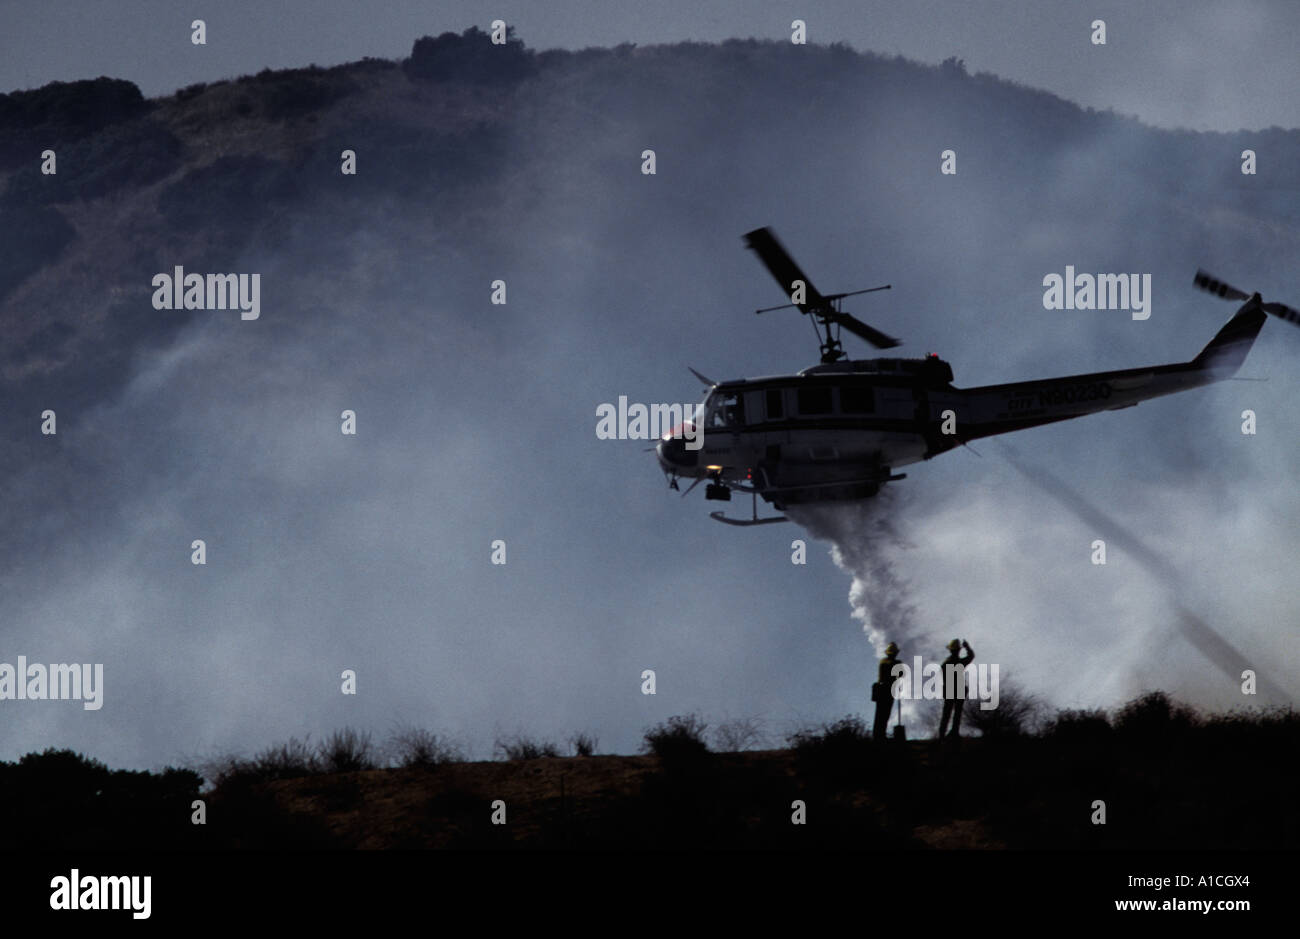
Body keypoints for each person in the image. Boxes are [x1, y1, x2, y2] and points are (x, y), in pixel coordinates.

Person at [938, 638, 975, 739]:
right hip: (958, 690)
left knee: (947, 714)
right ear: (958, 650)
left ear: (950, 650)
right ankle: (953, 733)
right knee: (956, 713)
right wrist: (967, 647)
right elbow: (971, 656)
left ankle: (942, 734)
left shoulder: (946, 663)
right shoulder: (959, 662)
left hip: (950, 690)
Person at [873, 642, 901, 742]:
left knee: (879, 714)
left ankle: (877, 735)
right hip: (889, 691)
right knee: (885, 713)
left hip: (880, 690)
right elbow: (901, 675)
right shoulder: (896, 663)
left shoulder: (882, 662)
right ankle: (881, 735)